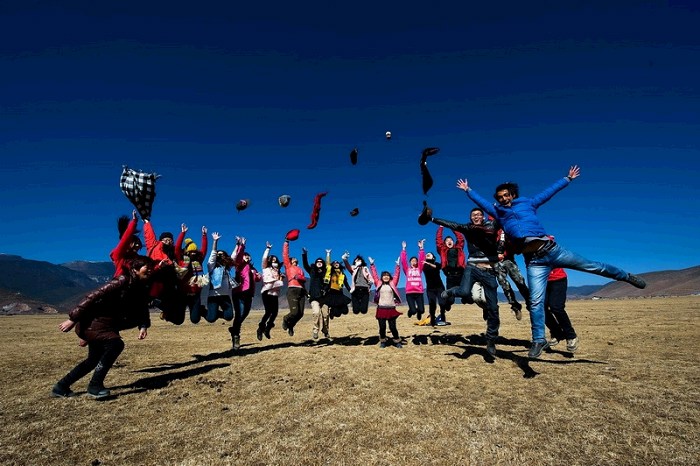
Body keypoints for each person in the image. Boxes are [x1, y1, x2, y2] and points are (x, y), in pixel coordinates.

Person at [457, 165, 646, 358]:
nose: (503, 199)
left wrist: (567, 179)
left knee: (593, 266)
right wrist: (468, 190)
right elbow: (483, 203)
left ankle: (626, 276)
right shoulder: (499, 213)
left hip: (553, 251)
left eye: (506, 195)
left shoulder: (528, 203)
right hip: (535, 262)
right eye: (500, 197)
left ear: (513, 195)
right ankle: (539, 339)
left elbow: (548, 193)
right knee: (535, 301)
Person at [52, 256, 154, 399]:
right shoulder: (122, 280)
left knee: (93, 360)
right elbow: (93, 296)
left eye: (151, 268)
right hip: (95, 321)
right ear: (135, 269)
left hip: (108, 325)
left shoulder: (142, 287)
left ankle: (61, 386)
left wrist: (143, 326)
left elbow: (142, 307)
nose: (150, 270)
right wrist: (73, 318)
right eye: (147, 267)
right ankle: (95, 386)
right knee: (116, 345)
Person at [431, 208, 502, 356]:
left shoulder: (491, 227)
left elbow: (501, 220)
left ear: (483, 217)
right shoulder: (468, 229)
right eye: (473, 215)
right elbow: (453, 225)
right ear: (470, 218)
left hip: (489, 271)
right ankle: (451, 292)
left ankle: (491, 340)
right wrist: (434, 220)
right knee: (463, 292)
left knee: (493, 308)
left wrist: (493, 210)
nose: (476, 216)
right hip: (471, 268)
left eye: (479, 214)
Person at [144, 218, 186, 325]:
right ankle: (154, 302)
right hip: (157, 278)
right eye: (165, 239)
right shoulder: (154, 245)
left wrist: (182, 233)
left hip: (171, 283)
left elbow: (180, 246)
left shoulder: (175, 252)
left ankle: (167, 313)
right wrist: (147, 222)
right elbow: (149, 236)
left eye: (170, 240)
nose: (168, 241)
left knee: (179, 320)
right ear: (160, 240)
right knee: (158, 298)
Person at [229, 237, 262, 350]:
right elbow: (238, 256)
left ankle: (234, 329)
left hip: (249, 293)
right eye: (245, 255)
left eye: (248, 255)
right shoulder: (239, 265)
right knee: (240, 314)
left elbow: (257, 280)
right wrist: (241, 245)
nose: (247, 256)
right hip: (239, 292)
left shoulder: (253, 268)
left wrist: (258, 276)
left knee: (245, 313)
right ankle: (236, 336)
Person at [174, 223, 209, 324]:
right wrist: (182, 233)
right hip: (183, 294)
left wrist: (204, 236)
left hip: (195, 294)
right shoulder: (181, 261)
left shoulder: (199, 261)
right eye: (191, 251)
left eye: (194, 251)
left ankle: (201, 310)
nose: (193, 253)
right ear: (187, 252)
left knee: (195, 320)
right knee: (179, 320)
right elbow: (177, 248)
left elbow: (204, 250)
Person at [494, 227, 530, 320]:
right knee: (503, 284)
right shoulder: (489, 227)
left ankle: (530, 303)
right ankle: (515, 305)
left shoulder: (506, 227)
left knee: (519, 281)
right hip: (495, 260)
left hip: (508, 258)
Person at [368, 256, 403, 348]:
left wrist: (398, 266)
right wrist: (372, 265)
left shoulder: (393, 283)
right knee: (382, 327)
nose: (386, 277)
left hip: (391, 308)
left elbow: (397, 275)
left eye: (387, 275)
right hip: (381, 308)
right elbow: (374, 275)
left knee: (393, 327)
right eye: (384, 275)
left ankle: (397, 340)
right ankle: (383, 341)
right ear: (382, 277)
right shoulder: (378, 283)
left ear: (390, 277)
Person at [203, 232, 236, 324]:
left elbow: (233, 257)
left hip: (225, 296)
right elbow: (212, 256)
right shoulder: (212, 267)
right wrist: (215, 241)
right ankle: (203, 311)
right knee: (211, 319)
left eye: (222, 254)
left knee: (229, 317)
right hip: (213, 296)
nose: (220, 255)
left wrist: (238, 245)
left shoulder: (227, 268)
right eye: (218, 254)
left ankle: (213, 313)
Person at [545, 267, 578, 353]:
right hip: (542, 281)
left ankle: (571, 336)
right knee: (539, 308)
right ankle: (557, 333)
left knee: (556, 307)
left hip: (558, 279)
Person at [257, 242, 284, 340]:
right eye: (272, 259)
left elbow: (279, 283)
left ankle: (267, 328)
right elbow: (264, 258)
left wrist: (281, 279)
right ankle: (261, 328)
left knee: (275, 313)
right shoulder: (266, 267)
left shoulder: (278, 271)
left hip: (275, 293)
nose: (274, 260)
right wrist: (268, 249)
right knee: (268, 311)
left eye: (275, 259)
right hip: (267, 291)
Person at [435, 225, 466, 310]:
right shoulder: (442, 250)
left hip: (461, 275)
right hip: (450, 276)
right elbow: (438, 240)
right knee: (450, 299)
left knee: (466, 294)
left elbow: (460, 238)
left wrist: (453, 228)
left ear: (453, 242)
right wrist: (441, 228)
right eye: (447, 240)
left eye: (451, 240)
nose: (449, 241)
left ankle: (465, 299)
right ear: (444, 243)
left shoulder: (459, 248)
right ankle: (447, 304)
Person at [302, 247, 329, 340]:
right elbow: (305, 265)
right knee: (316, 313)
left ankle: (325, 330)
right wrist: (304, 254)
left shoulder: (326, 272)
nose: (319, 262)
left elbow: (328, 265)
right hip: (314, 297)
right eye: (318, 261)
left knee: (326, 315)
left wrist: (328, 254)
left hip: (324, 297)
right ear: (315, 263)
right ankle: (315, 331)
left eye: (321, 261)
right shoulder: (312, 271)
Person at [282, 239, 307, 336]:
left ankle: (291, 325)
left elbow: (303, 281)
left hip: (301, 291)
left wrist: (306, 293)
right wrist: (286, 243)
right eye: (293, 258)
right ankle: (286, 319)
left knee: (300, 314)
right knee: (294, 312)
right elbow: (285, 254)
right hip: (292, 290)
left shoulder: (300, 269)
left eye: (296, 258)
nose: (295, 259)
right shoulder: (288, 266)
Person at [111, 210, 143, 278]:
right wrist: (134, 222)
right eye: (135, 244)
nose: (137, 245)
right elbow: (125, 239)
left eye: (138, 244)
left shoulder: (138, 258)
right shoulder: (119, 255)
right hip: (121, 283)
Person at [400, 240, 426, 321]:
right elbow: (403, 261)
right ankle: (411, 311)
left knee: (422, 310)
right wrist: (403, 249)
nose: (414, 262)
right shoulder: (407, 270)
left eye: (415, 261)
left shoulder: (419, 269)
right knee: (413, 311)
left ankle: (419, 312)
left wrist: (421, 248)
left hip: (419, 292)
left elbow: (422, 259)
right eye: (412, 261)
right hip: (410, 293)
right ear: (410, 263)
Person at [422, 252, 448, 326]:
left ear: (433, 257)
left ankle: (443, 318)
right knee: (432, 304)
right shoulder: (425, 266)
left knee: (442, 303)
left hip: (439, 287)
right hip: (430, 289)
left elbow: (438, 267)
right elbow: (426, 268)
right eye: (427, 254)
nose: (427, 254)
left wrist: (428, 263)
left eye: (429, 254)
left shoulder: (436, 264)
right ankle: (432, 320)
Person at [323, 252, 352, 320]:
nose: (336, 264)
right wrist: (328, 254)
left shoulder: (342, 274)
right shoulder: (330, 272)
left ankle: (335, 310)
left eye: (337, 263)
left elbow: (346, 284)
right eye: (334, 263)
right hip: (332, 293)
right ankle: (332, 311)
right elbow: (328, 264)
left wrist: (350, 290)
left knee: (345, 311)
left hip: (340, 293)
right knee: (337, 314)